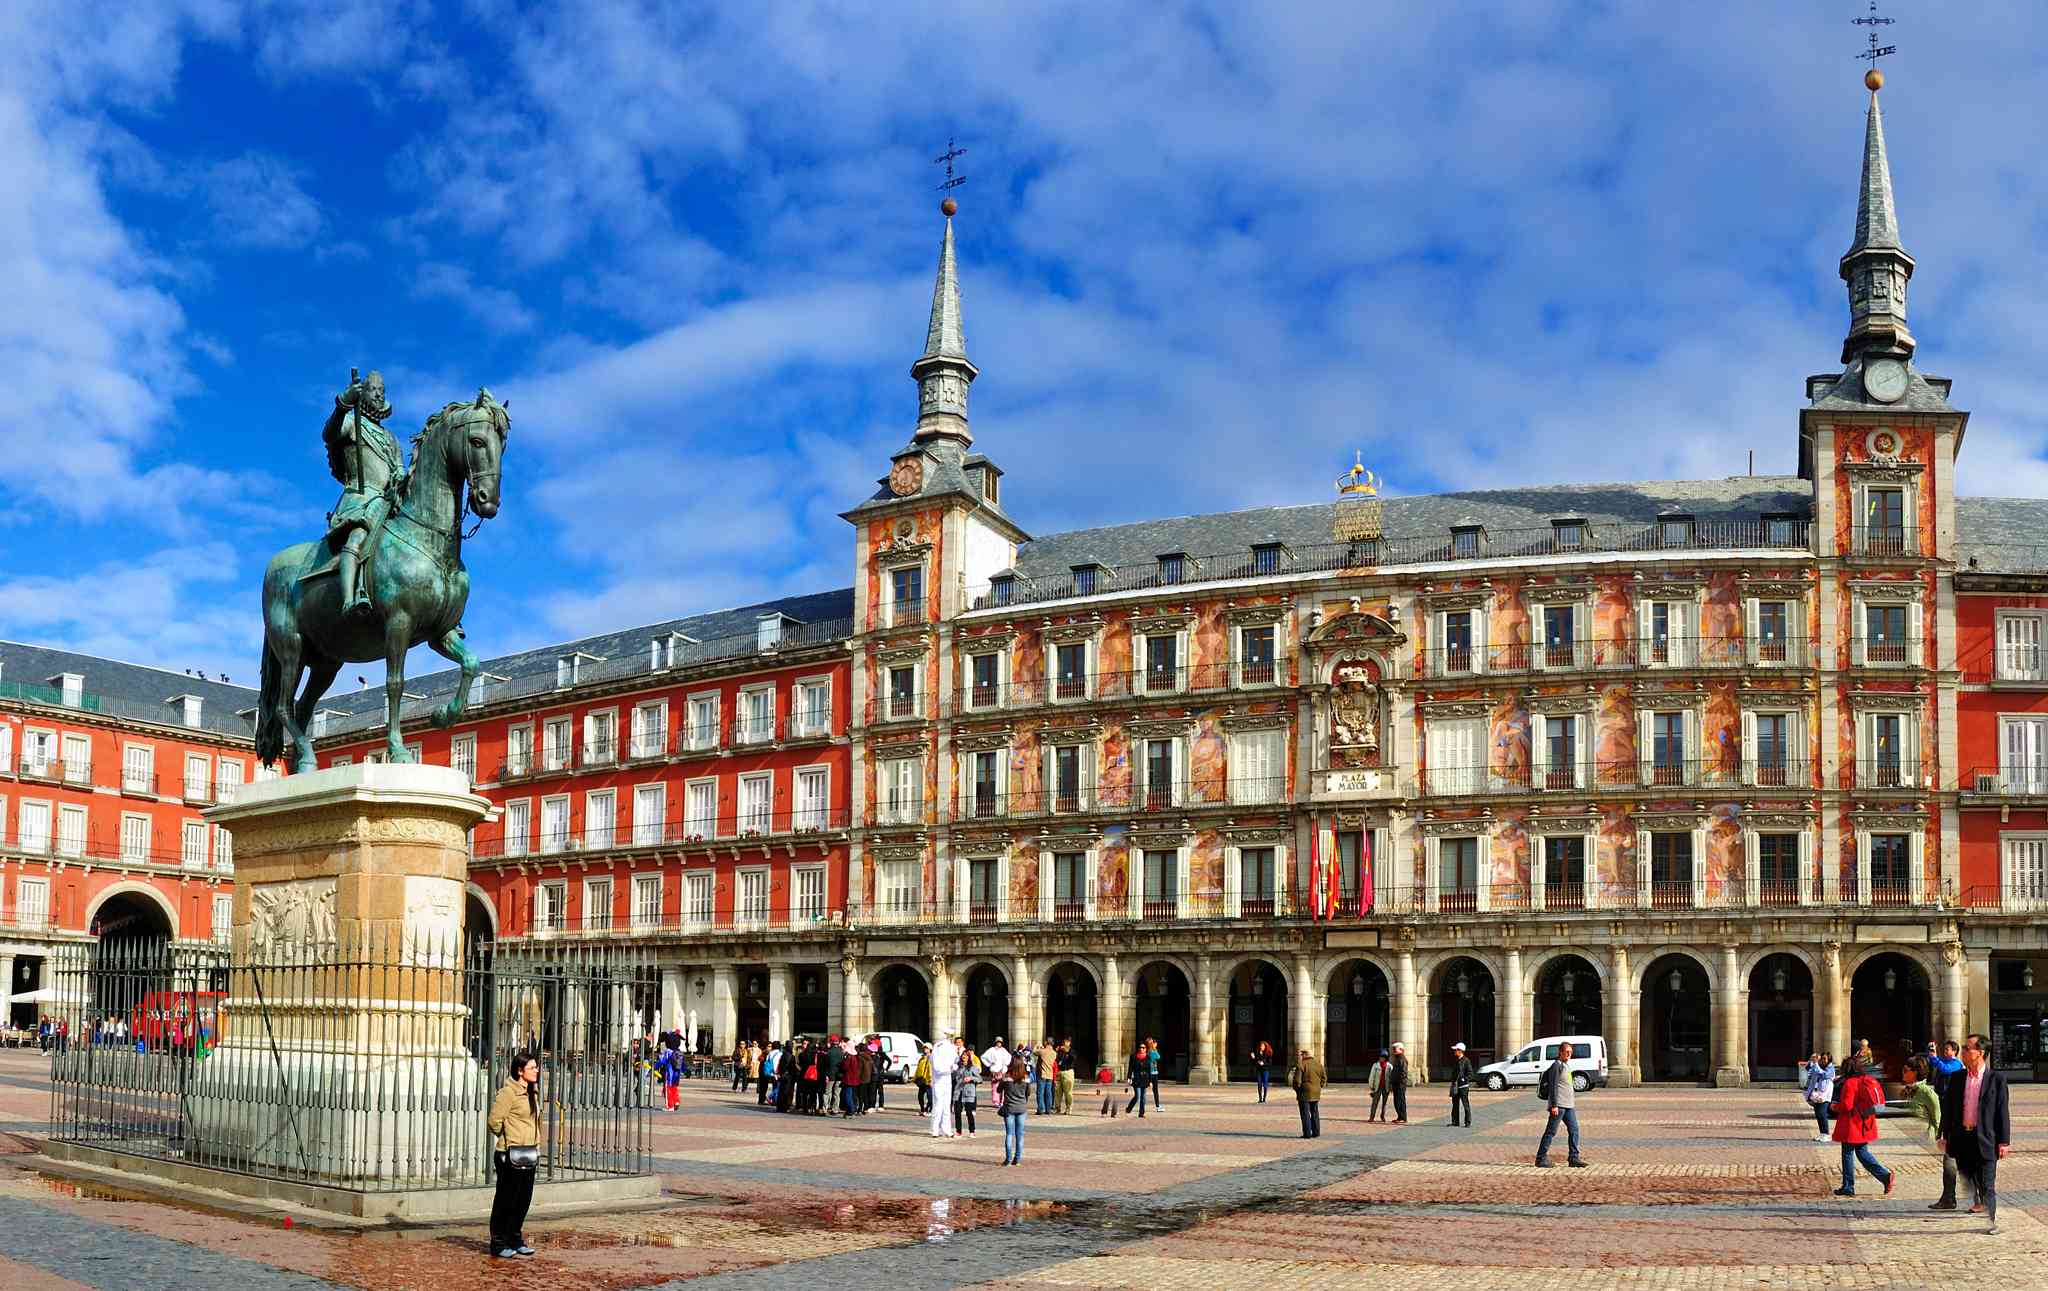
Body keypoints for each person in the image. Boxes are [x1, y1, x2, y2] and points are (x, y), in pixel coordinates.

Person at [1938, 1032, 2012, 1234]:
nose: (1964, 1051)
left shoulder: (1996, 1079)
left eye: (1968, 1048)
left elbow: (2002, 1112)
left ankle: (1992, 1222)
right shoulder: (1957, 1077)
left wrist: (2004, 1141)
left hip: (1986, 1138)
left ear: (1980, 1053)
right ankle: (1978, 1201)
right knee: (1971, 1177)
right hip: (1963, 1138)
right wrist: (1943, 1135)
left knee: (1988, 1183)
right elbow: (1949, 1109)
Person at [486, 1052, 542, 1258]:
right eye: (532, 1068)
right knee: (505, 1199)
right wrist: (509, 1136)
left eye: (536, 1067)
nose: (536, 1071)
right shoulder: (508, 1093)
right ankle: (498, 1242)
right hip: (508, 1153)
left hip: (528, 1153)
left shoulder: (532, 1091)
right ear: (520, 1071)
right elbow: (494, 1121)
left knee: (523, 1199)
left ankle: (515, 1238)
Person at [1829, 1054, 1893, 1198]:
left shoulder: (1850, 1083)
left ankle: (1848, 1186)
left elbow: (1847, 1105)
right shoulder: (1866, 1080)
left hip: (1852, 1124)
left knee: (1847, 1153)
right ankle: (1885, 1176)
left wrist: (1834, 1107)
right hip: (1864, 1122)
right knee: (1863, 1153)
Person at [1534, 1040, 1588, 1168]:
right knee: (1551, 1132)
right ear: (1560, 1052)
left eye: (1571, 1052)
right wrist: (1553, 1105)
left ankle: (1573, 1158)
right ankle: (1541, 1158)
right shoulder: (1556, 1066)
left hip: (1569, 1106)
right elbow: (1553, 1086)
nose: (1569, 1054)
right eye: (1567, 1052)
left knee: (1574, 1130)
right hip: (1559, 1106)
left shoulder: (1566, 1065)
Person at [996, 1057, 1031, 1165]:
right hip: (1021, 1108)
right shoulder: (1026, 1079)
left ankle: (1008, 1159)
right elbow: (1028, 1093)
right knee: (1020, 1135)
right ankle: (1018, 1159)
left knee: (1009, 1134)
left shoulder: (1006, 1078)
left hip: (1009, 1108)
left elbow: (998, 1090)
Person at [1290, 1046, 1325, 1139]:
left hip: (1304, 1092)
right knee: (1315, 1111)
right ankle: (1316, 1132)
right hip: (1316, 1092)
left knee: (1305, 1113)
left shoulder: (1301, 1065)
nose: (1301, 1056)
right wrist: (1319, 1086)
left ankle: (1307, 1133)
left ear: (1305, 1055)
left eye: (1302, 1054)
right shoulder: (1318, 1064)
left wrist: (1297, 1089)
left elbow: (1297, 1081)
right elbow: (1324, 1078)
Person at [929, 1033, 959, 1138]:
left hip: (947, 1080)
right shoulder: (938, 1047)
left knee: (947, 1106)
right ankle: (934, 1129)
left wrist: (954, 1066)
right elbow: (937, 1068)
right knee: (938, 1105)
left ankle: (946, 1129)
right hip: (938, 1080)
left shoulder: (950, 1048)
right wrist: (950, 1068)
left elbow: (956, 1061)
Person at [1803, 1051, 1836, 1142]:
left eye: (1825, 1058)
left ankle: (1826, 1134)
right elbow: (1808, 1069)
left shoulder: (1831, 1068)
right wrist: (1811, 1061)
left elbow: (1824, 1075)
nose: (1823, 1060)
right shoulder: (1818, 1066)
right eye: (1822, 1058)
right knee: (1818, 1114)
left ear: (1829, 1060)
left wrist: (1816, 1064)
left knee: (1822, 1114)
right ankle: (1822, 1133)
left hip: (1825, 1095)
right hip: (1816, 1095)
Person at [954, 1046, 981, 1137]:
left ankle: (972, 1131)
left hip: (969, 1092)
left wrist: (971, 1078)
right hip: (958, 1092)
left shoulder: (973, 1067)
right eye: (963, 1055)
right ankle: (958, 1131)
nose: (964, 1057)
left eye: (966, 1055)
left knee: (969, 1112)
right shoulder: (958, 1067)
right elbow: (954, 1078)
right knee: (957, 1112)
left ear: (969, 1057)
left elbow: (979, 1079)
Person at [1124, 1041, 1151, 1118]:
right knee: (1137, 1096)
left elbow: (1149, 1070)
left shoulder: (1148, 1057)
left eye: (1143, 1048)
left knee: (1143, 1097)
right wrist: (1129, 1078)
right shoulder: (1134, 1056)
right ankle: (1129, 1108)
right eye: (1140, 1047)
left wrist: (1150, 1081)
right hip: (1136, 1078)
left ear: (1146, 1049)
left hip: (1145, 1079)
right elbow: (1130, 1068)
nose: (1141, 1049)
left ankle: (1141, 1113)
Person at [1366, 1049, 1393, 1122]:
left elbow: (1391, 1078)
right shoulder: (1375, 1065)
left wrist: (1391, 1087)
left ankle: (1382, 1116)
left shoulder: (1389, 1066)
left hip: (1386, 1087)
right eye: (1381, 1057)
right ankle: (1372, 1116)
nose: (1382, 1058)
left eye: (1383, 1057)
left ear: (1386, 1058)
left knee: (1384, 1103)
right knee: (1375, 1102)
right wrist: (1371, 1086)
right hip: (1377, 1086)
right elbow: (1372, 1076)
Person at [1035, 1039, 1058, 1114]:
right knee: (1049, 1093)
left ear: (1047, 1043)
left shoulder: (1043, 1051)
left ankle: (1041, 1109)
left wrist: (1038, 1046)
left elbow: (1034, 1052)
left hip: (1042, 1074)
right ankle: (1048, 1109)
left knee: (1040, 1092)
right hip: (1050, 1075)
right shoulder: (1054, 1053)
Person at [1389, 1043, 1411, 1124]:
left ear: (1401, 1050)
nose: (1394, 1050)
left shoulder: (1402, 1059)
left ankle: (1403, 1117)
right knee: (1397, 1100)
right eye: (1393, 1048)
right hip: (1396, 1083)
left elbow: (1403, 1072)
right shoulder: (1397, 1058)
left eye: (1395, 1049)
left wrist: (1399, 1082)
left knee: (1400, 1100)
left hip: (1400, 1084)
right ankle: (1400, 1116)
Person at [1054, 1039, 1076, 1113]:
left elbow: (1073, 1058)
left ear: (1069, 1043)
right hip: (1059, 1072)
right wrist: (1056, 1052)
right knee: (1057, 1092)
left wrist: (1067, 1051)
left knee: (1068, 1092)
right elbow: (1055, 1060)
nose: (1064, 1043)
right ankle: (1057, 1108)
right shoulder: (1060, 1051)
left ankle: (1068, 1108)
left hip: (1068, 1072)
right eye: (1063, 1042)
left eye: (1066, 1042)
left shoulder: (1072, 1051)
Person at [915, 1043, 934, 1116]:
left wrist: (932, 1079)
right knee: (920, 1096)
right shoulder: (922, 1058)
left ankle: (929, 1110)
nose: (925, 1049)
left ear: (930, 1049)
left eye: (926, 1048)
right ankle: (922, 1109)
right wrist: (915, 1078)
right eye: (924, 1048)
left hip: (928, 1080)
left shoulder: (932, 1058)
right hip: (922, 1079)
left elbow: (932, 1069)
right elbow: (918, 1069)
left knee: (930, 1097)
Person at [1146, 1038, 1163, 1109]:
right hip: (1153, 1073)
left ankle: (1157, 1105)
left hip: (1152, 1072)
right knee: (1155, 1090)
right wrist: (1155, 1049)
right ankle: (1158, 1105)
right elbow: (1158, 1057)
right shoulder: (1152, 1052)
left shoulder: (1148, 1052)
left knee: (1146, 1090)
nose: (1155, 1043)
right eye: (1153, 1042)